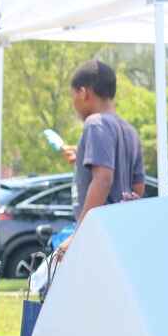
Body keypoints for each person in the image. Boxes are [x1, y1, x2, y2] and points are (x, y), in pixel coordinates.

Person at [56, 61, 145, 259]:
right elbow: (138, 186)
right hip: (121, 232)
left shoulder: (96, 123)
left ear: (83, 93)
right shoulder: (129, 131)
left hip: (99, 234)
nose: (74, 104)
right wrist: (83, 158)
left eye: (73, 96)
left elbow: (103, 179)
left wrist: (79, 235)